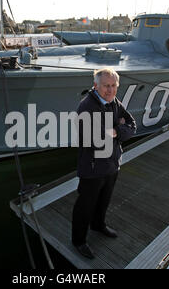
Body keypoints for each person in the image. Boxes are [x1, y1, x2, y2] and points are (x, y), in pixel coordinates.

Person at [72, 68, 137, 259]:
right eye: (105, 86)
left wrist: (115, 131)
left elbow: (132, 125)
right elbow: (97, 140)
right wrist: (119, 128)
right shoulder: (87, 107)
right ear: (95, 86)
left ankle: (98, 225)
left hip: (112, 163)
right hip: (93, 167)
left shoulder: (114, 102)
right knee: (85, 205)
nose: (110, 90)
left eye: (113, 86)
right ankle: (78, 240)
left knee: (104, 200)